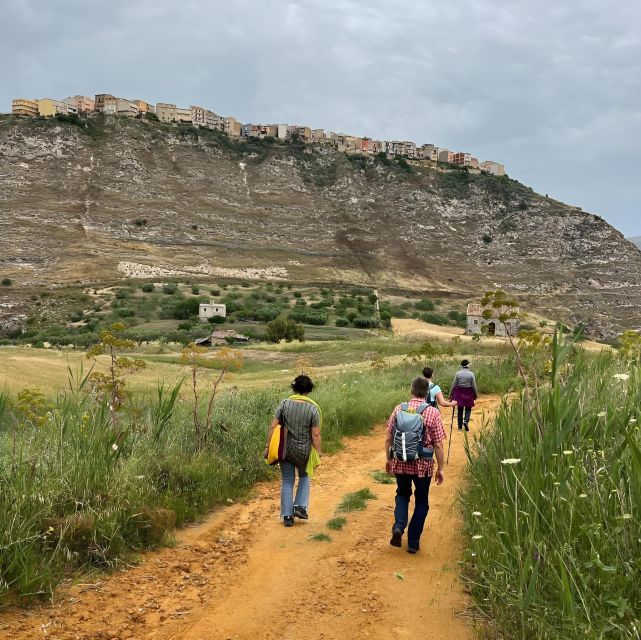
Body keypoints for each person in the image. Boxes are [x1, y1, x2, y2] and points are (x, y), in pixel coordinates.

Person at [385, 376, 446, 554]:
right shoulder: (432, 412)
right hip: (423, 466)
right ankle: (412, 542)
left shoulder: (399, 409)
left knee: (402, 494)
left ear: (411, 390)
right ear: (427, 392)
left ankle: (398, 527)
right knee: (421, 502)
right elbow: (439, 445)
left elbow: (388, 437)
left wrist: (388, 459)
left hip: (401, 462)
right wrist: (440, 469)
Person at [266, 375, 322, 527]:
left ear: (294, 388)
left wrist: (268, 445)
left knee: (287, 481)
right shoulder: (313, 408)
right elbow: (315, 434)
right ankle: (300, 506)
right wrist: (318, 452)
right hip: (304, 452)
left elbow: (273, 426)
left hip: (286, 450)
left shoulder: (284, 404)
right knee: (304, 477)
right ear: (309, 390)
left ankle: (287, 516)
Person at [450, 359, 478, 431]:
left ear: (462, 366)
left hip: (459, 392)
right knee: (468, 408)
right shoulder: (471, 374)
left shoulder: (458, 373)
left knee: (460, 409)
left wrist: (451, 394)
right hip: (469, 392)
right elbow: (474, 386)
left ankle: (459, 426)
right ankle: (466, 421)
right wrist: (475, 395)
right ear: (468, 365)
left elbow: (454, 384)